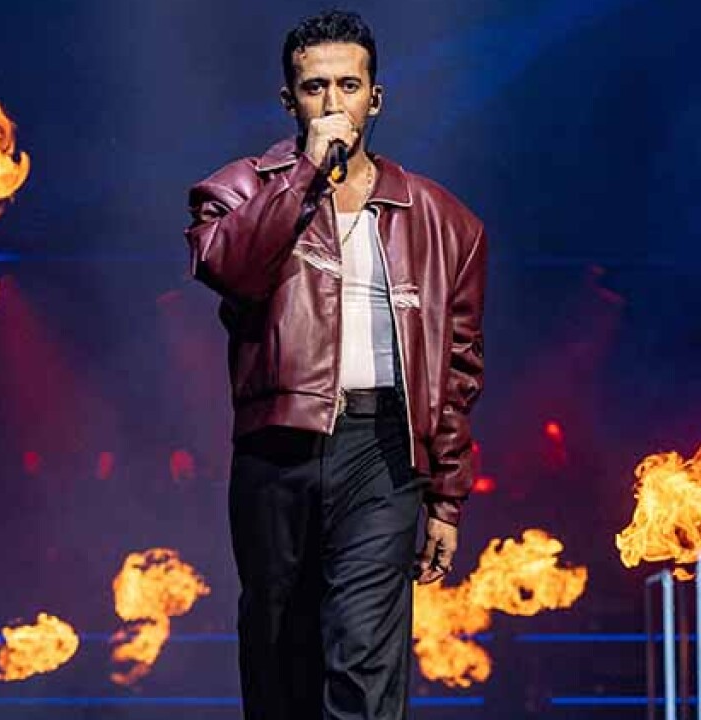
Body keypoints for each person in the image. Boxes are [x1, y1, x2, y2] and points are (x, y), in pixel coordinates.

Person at [183, 10, 488, 719]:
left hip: (382, 448)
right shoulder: (237, 191)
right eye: (314, 87)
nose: (332, 102)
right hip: (277, 446)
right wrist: (305, 176)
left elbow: (459, 370)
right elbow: (232, 270)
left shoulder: (444, 221)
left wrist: (446, 498)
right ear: (289, 100)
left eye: (348, 85)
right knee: (279, 655)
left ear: (374, 98)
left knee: (363, 653)